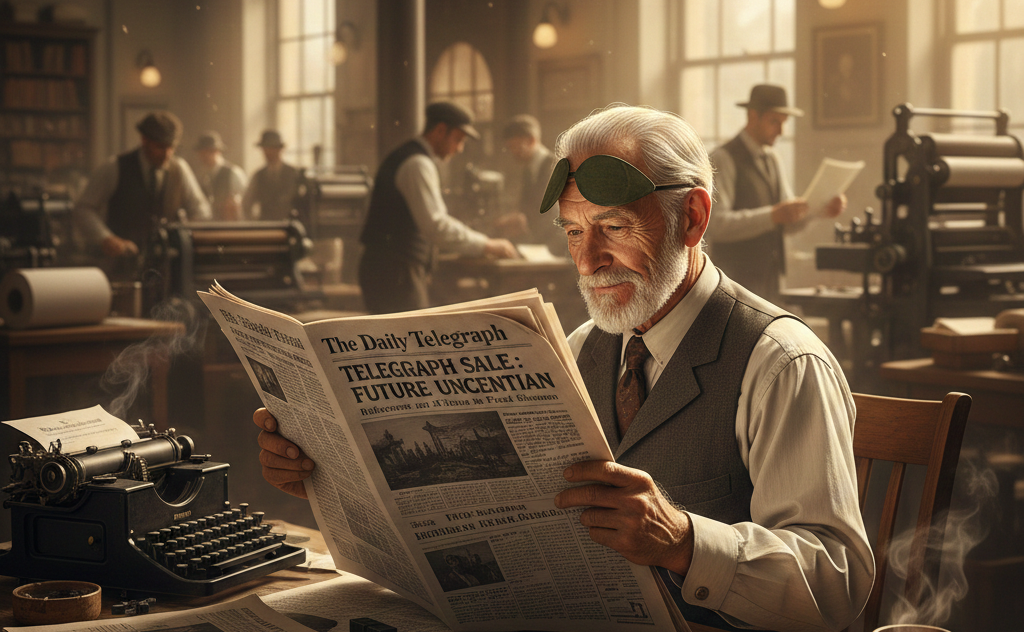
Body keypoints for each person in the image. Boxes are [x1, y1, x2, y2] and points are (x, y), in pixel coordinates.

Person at [251, 105, 874, 631]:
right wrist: (326, 469)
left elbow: (838, 581)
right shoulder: (576, 349)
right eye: (574, 233)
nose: (590, 260)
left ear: (694, 218)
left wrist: (684, 541)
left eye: (614, 226)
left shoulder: (780, 362)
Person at [357, 101, 518, 313]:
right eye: (458, 139)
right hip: (395, 273)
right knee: (409, 341)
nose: (459, 149)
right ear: (440, 130)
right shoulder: (418, 164)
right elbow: (437, 225)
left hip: (390, 270)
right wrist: (487, 245)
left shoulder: (410, 157)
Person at [708, 84, 846, 303]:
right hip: (734, 283)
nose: (781, 131)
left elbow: (787, 222)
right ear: (753, 116)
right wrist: (773, 215)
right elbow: (716, 224)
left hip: (771, 280)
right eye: (775, 122)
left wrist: (819, 210)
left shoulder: (772, 159)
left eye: (783, 123)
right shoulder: (723, 158)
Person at [73, 111, 210, 262]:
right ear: (144, 140)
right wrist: (106, 238)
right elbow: (83, 208)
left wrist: (188, 230)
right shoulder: (115, 167)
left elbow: (201, 210)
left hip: (166, 262)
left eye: (171, 147)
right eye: (160, 147)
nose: (166, 154)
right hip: (121, 262)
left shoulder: (180, 169)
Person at [492, 114, 563, 253]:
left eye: (515, 147)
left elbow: (552, 214)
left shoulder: (554, 166)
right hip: (540, 243)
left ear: (531, 141)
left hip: (557, 246)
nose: (513, 153)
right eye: (510, 148)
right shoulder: (528, 170)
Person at [241, 129, 301, 221]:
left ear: (279, 149)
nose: (267, 152)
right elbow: (247, 203)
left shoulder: (293, 173)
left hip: (290, 225)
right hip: (266, 226)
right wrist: (253, 223)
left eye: (271, 148)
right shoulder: (258, 175)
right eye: (265, 149)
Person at [193, 131, 247, 221]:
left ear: (216, 151)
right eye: (201, 153)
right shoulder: (203, 175)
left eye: (206, 152)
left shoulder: (233, 173)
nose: (202, 156)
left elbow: (243, 204)